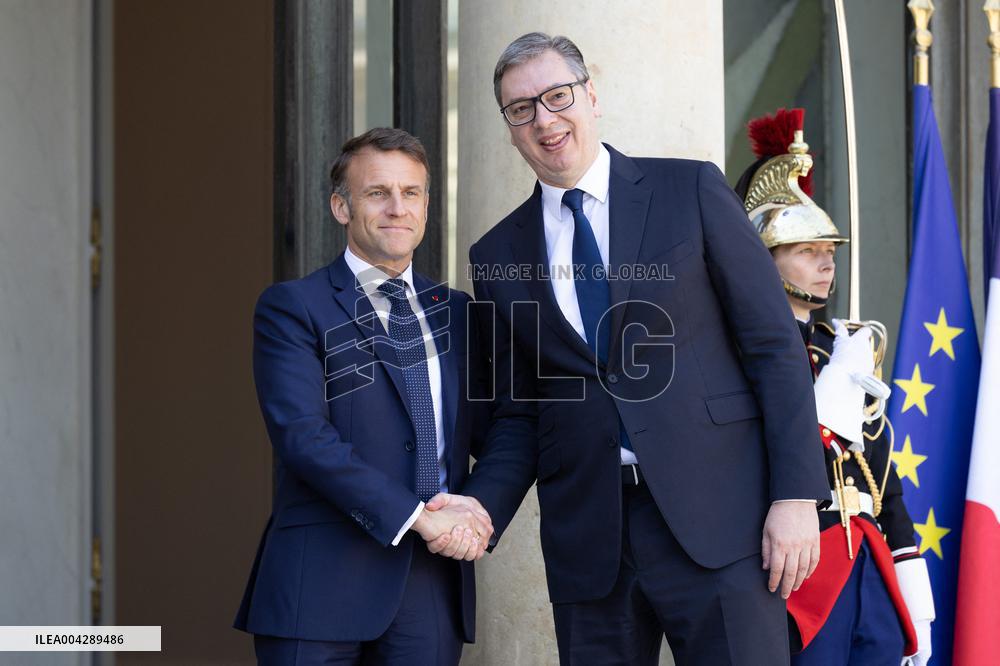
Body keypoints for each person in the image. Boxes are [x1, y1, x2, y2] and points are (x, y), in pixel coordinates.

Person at [454, 32, 830, 665]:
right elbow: (521, 411)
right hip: (591, 543)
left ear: (591, 95)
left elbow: (774, 346)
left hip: (723, 526)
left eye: (557, 96)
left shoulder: (690, 192)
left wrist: (795, 497)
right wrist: (479, 507)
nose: (545, 120)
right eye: (522, 109)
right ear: (509, 128)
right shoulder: (496, 256)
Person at [234, 127, 492, 665]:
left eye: (412, 192)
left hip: (429, 588)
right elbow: (303, 438)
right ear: (341, 207)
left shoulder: (461, 314)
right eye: (378, 192)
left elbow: (507, 428)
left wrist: (476, 511)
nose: (398, 207)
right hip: (320, 584)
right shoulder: (293, 308)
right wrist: (417, 517)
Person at [735, 108, 934, 666]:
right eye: (807, 252)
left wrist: (908, 575)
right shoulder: (739, 354)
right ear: (763, 258)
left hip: (868, 558)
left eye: (830, 253)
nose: (826, 266)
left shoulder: (842, 347)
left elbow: (879, 471)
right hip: (798, 570)